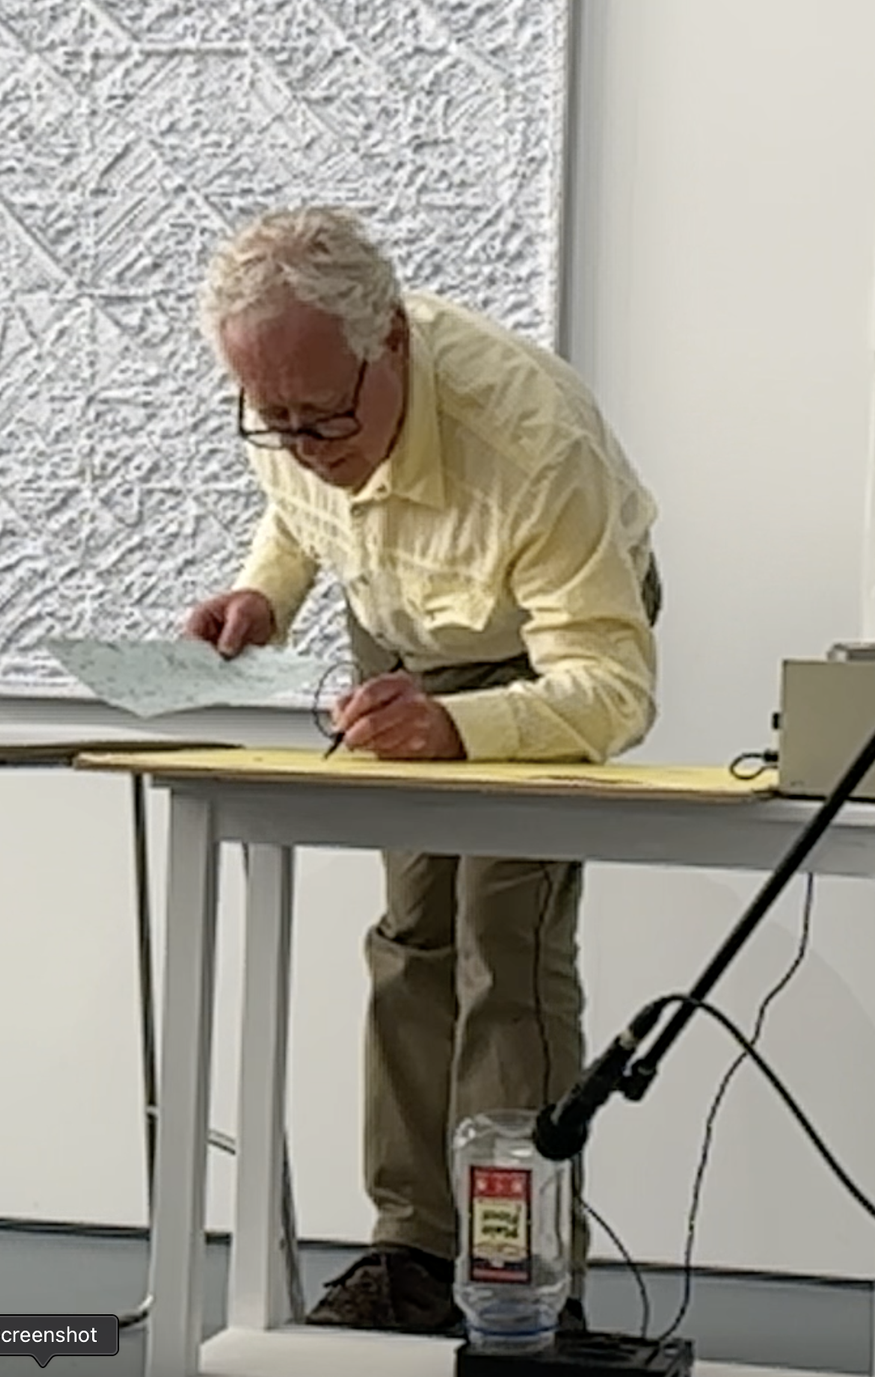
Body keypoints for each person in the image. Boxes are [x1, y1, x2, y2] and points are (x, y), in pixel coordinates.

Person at [182, 206, 663, 1336]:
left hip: (540, 652)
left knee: (506, 944)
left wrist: (456, 725)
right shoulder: (298, 397)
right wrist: (267, 595)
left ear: (389, 340)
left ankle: (520, 1273)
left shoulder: (534, 441)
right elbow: (301, 512)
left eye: (321, 415)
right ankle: (409, 1253)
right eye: (272, 418)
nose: (301, 440)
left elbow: (612, 689)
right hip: (399, 635)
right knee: (412, 940)